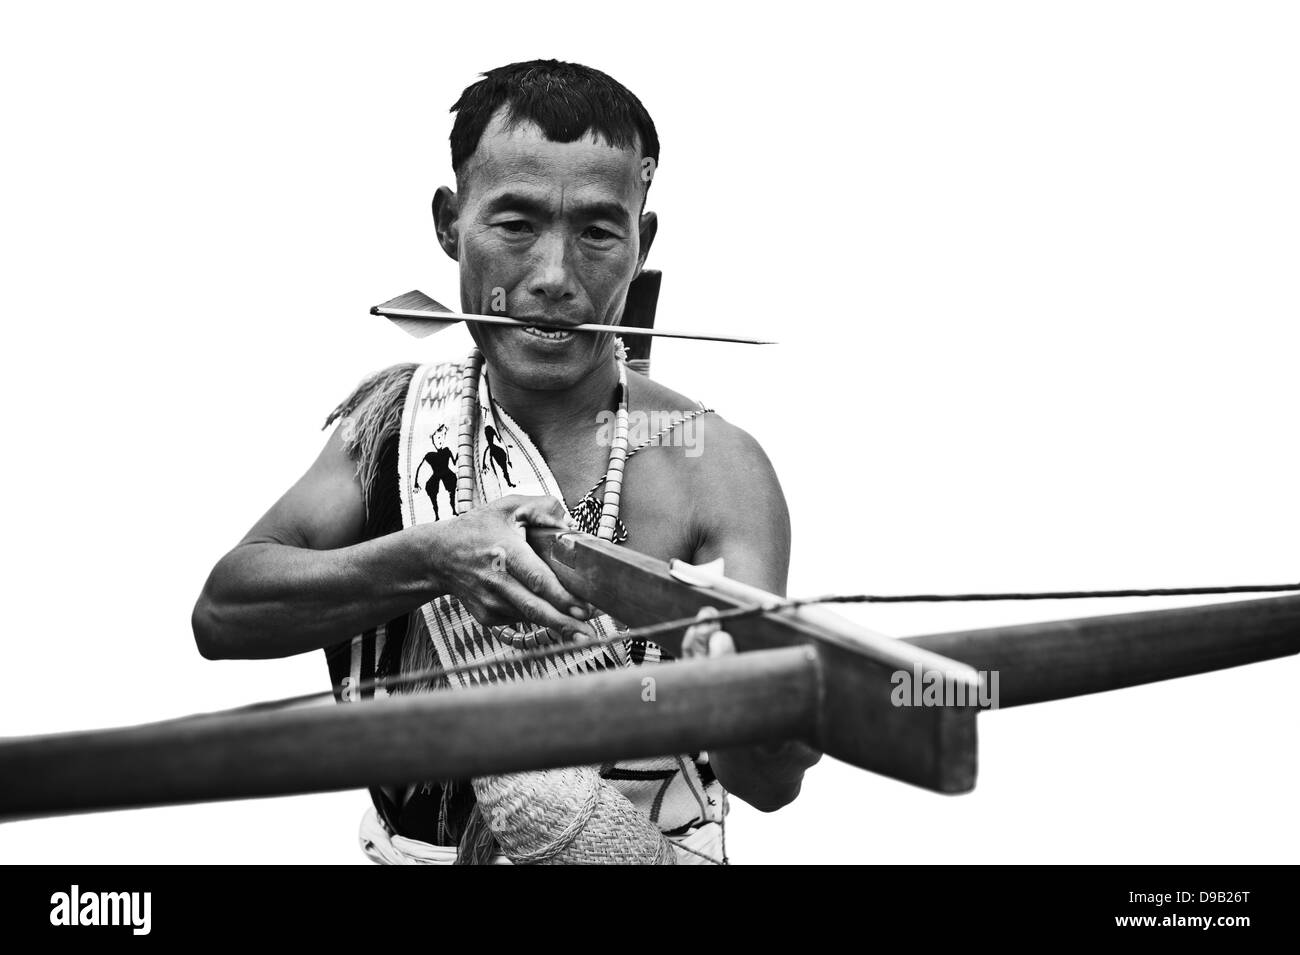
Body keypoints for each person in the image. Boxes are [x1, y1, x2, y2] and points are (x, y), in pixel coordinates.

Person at [192, 59, 819, 864]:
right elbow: (223, 613)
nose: (554, 277)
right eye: (515, 224)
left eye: (597, 230)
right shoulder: (399, 429)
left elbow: (766, 782)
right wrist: (431, 559)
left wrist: (770, 727)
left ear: (642, 239)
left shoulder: (716, 469)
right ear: (450, 222)